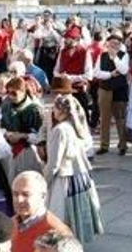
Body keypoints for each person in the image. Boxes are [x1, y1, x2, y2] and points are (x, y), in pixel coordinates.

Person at [43, 93, 103, 244]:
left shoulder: (60, 130)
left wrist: (44, 181)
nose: (52, 112)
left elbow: (54, 163)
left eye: (54, 108)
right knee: (77, 212)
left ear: (61, 111)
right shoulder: (77, 127)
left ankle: (62, 244)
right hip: (81, 176)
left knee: (60, 214)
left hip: (65, 178)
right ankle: (75, 240)